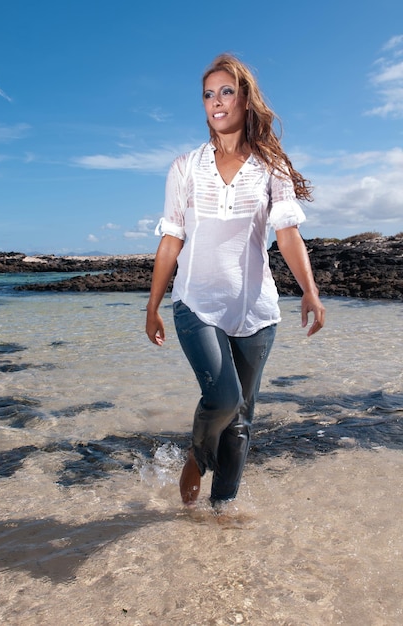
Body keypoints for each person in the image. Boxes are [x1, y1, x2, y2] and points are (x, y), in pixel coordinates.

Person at [146, 53, 325, 508]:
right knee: (223, 399)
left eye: (226, 92)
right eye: (208, 95)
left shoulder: (271, 165)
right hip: (195, 302)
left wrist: (310, 290)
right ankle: (198, 456)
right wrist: (151, 307)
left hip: (256, 309)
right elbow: (171, 240)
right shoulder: (185, 167)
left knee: (242, 420)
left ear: (245, 99)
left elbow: (287, 235)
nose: (216, 102)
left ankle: (222, 509)